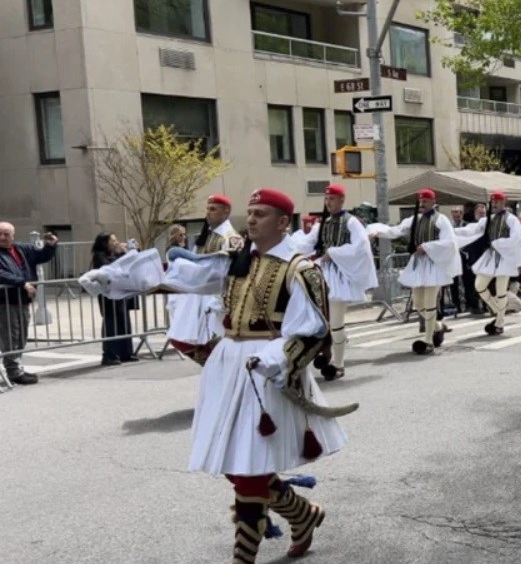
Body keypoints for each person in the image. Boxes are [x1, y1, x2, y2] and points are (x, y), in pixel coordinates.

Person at [80, 188, 354, 563]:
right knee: (237, 463)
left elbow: (311, 331)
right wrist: (115, 278)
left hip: (266, 371)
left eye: (261, 213)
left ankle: (245, 555)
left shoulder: (300, 269)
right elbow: (181, 276)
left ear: (283, 222)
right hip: (227, 366)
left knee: (249, 469)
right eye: (250, 211)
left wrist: (274, 359)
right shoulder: (235, 259)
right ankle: (301, 514)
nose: (251, 219)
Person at [292, 184, 378, 380]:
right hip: (322, 274)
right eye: (326, 199)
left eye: (332, 199)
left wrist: (333, 252)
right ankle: (327, 352)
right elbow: (307, 243)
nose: (328, 202)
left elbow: (360, 247)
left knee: (336, 323)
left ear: (341, 200)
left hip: (339, 277)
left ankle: (338, 364)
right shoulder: (323, 223)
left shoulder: (351, 222)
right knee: (321, 321)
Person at [368, 189, 461, 354]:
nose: (422, 204)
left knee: (430, 303)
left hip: (434, 265)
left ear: (433, 202)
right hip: (418, 265)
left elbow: (449, 243)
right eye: (420, 201)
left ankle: (428, 341)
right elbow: (396, 231)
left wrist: (427, 247)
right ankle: (438, 326)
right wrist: (379, 233)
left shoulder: (441, 220)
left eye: (425, 201)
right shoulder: (413, 220)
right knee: (418, 304)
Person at [168, 194, 240, 364]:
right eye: (207, 209)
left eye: (213, 209)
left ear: (226, 212)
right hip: (199, 298)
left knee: (218, 348)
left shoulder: (230, 238)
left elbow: (230, 273)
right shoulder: (206, 235)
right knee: (183, 340)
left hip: (217, 301)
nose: (208, 212)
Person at [454, 191, 521, 336]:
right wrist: (451, 231)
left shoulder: (511, 219)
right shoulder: (489, 219)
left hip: (505, 258)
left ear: (504, 202)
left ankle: (499, 322)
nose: (494, 204)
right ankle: (497, 310)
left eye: (497, 201)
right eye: (493, 201)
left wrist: (520, 266)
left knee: (501, 291)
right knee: (479, 285)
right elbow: (471, 230)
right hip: (491, 257)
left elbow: (517, 240)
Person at [0, 222, 57, 386]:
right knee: (10, 337)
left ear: (13, 235)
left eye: (6, 234)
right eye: (0, 234)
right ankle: (13, 372)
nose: (2, 237)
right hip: (5, 301)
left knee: (21, 336)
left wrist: (51, 245)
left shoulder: (22, 248)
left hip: (23, 300)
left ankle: (17, 368)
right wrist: (22, 282)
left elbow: (42, 256)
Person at [92, 233, 139, 365]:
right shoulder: (99, 256)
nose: (116, 242)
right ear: (104, 243)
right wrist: (121, 254)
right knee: (111, 323)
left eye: (116, 239)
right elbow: (109, 269)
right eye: (113, 240)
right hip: (108, 296)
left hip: (120, 294)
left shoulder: (115, 255)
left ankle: (126, 353)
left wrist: (129, 252)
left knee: (124, 322)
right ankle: (110, 354)